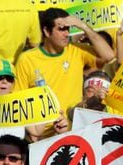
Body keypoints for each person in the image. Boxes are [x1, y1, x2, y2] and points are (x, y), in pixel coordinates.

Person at [15, 8, 114, 138]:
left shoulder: (76, 51)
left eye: (68, 29)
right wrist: (32, 132)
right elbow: (18, 101)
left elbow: (109, 56)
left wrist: (83, 26)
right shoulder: (26, 60)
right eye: (61, 29)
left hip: (74, 131)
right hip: (41, 137)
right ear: (46, 31)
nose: (67, 34)